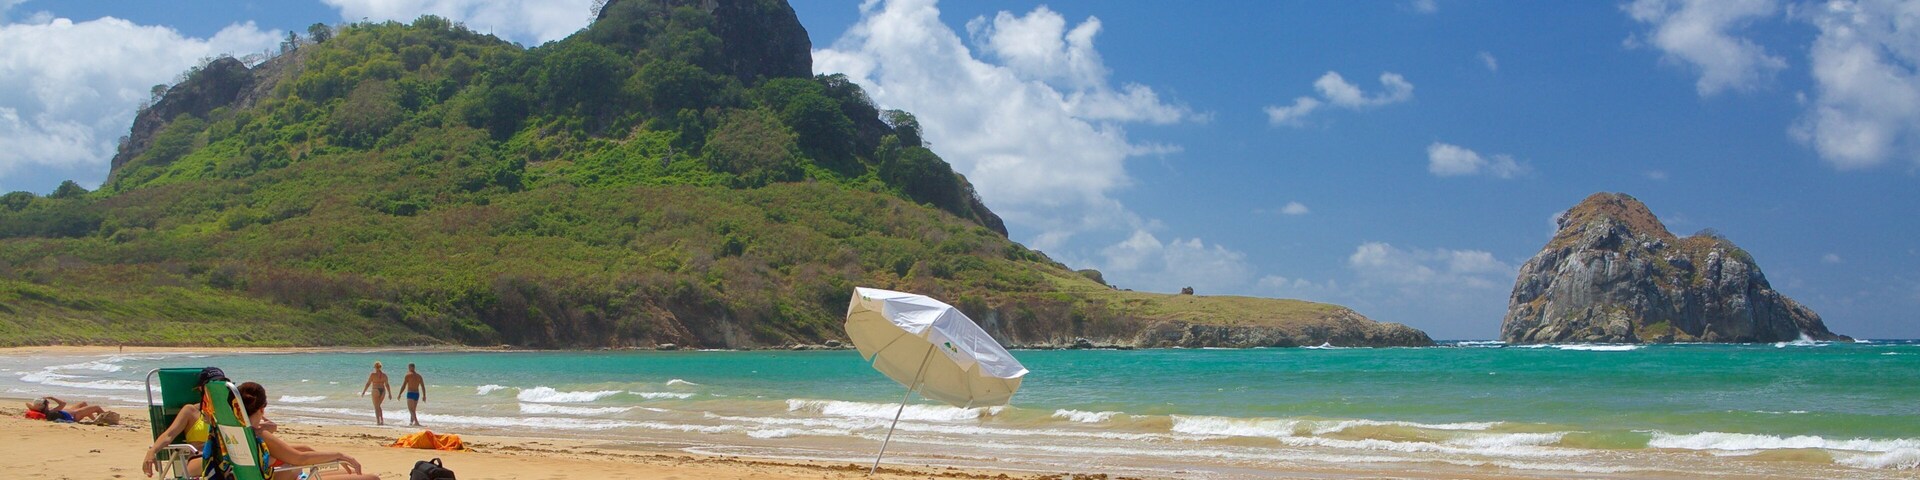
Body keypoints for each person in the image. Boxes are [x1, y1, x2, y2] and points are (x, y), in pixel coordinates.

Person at [233, 382, 379, 480]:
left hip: (290, 475)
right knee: (373, 478)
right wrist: (340, 455)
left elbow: (290, 452)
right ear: (263, 408)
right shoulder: (259, 434)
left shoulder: (238, 431)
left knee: (353, 473)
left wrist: (271, 429)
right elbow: (300, 459)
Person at [26, 396, 114, 424]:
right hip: (73, 415)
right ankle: (107, 421)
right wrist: (51, 397)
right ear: (44, 406)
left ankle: (95, 420)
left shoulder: (46, 412)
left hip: (67, 413)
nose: (49, 404)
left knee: (83, 403)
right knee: (97, 407)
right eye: (47, 403)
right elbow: (63, 404)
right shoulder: (49, 412)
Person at [360, 361, 392, 426]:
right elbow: (387, 385)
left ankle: (378, 421)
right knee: (378, 406)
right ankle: (382, 420)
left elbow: (368, 383)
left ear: (375, 367)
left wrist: (364, 391)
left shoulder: (373, 375)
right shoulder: (384, 375)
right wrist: (389, 393)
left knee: (376, 406)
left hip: (375, 390)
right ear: (381, 367)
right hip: (383, 390)